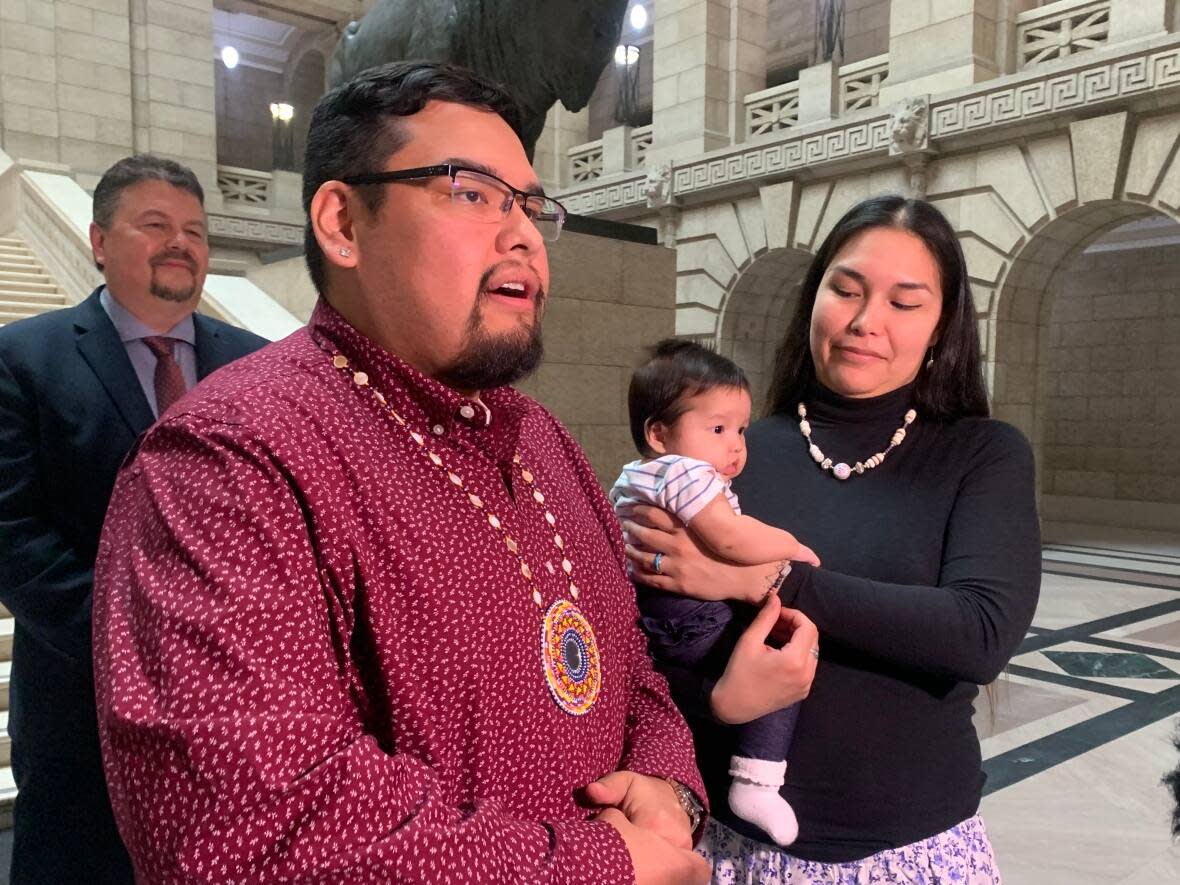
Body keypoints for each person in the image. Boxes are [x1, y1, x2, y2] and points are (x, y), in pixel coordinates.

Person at [90, 62, 726, 884]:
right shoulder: (226, 459)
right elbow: (252, 832)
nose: (523, 233)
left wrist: (674, 792)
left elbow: (631, 672)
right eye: (471, 191)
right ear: (343, 221)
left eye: (530, 205)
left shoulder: (547, 441)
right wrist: (606, 865)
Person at [623, 195, 1041, 882]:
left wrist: (768, 578)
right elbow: (655, 636)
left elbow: (980, 630)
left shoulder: (982, 453)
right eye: (845, 289)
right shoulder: (730, 457)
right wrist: (720, 700)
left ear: (942, 326)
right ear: (812, 298)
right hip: (731, 850)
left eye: (905, 303)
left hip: (912, 852)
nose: (864, 321)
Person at [0, 154, 267, 884]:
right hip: (83, 714)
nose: (180, 243)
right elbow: (13, 536)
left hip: (240, 715)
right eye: (154, 225)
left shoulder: (259, 366)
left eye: (195, 231)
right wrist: (145, 640)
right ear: (96, 241)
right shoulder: (24, 358)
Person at [610, 339, 817, 846]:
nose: (735, 445)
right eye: (718, 429)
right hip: (692, 615)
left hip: (650, 618)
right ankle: (758, 778)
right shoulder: (685, 472)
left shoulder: (633, 476)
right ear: (659, 434)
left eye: (741, 430)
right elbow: (728, 537)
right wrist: (791, 548)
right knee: (780, 662)